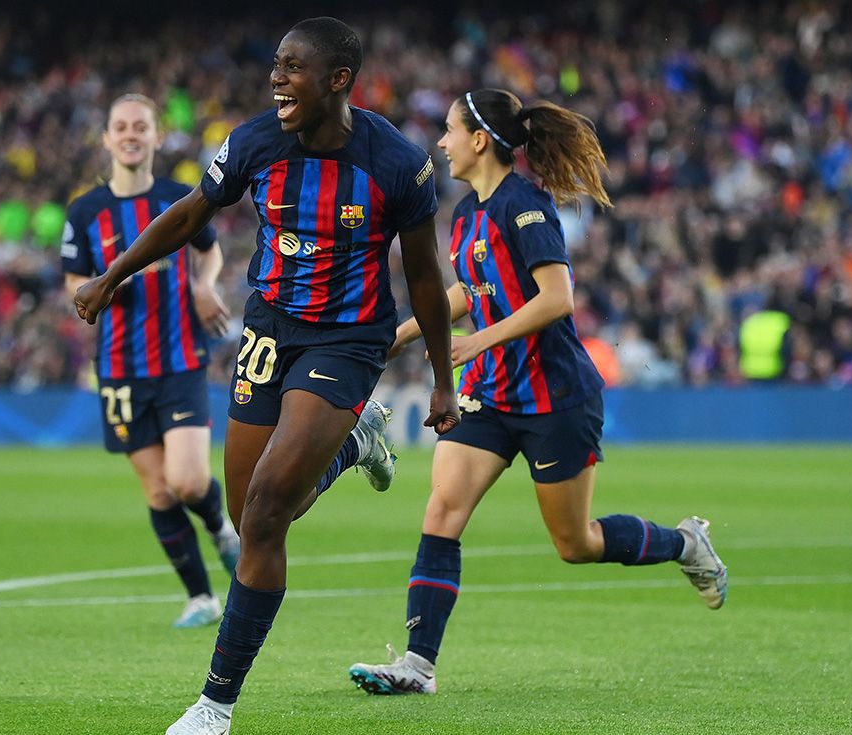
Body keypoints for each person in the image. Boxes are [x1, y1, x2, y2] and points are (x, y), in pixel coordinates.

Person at [73, 18, 460, 734]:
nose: (276, 79)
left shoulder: (397, 163)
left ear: (338, 81)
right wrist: (111, 272)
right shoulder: (255, 142)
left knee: (264, 510)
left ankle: (214, 704)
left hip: (346, 340)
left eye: (292, 68)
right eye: (275, 66)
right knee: (256, 516)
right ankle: (354, 444)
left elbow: (426, 279)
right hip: (268, 329)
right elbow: (190, 213)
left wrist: (441, 378)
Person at [347, 89, 729, 696]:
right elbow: (468, 294)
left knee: (575, 544)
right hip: (491, 397)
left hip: (555, 398)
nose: (440, 143)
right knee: (441, 514)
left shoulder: (525, 206)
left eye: (448, 131)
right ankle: (417, 668)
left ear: (478, 141)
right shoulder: (469, 214)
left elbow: (557, 299)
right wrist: (395, 338)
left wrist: (474, 343)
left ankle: (686, 543)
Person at [62, 93, 241, 629]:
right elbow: (75, 281)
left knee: (188, 482)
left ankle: (221, 528)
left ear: (157, 137)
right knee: (158, 489)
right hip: (118, 367)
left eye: (141, 126)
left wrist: (203, 286)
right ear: (107, 139)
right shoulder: (85, 211)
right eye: (121, 126)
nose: (131, 134)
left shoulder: (179, 199)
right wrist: (102, 287)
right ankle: (201, 598)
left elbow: (209, 249)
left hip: (181, 358)